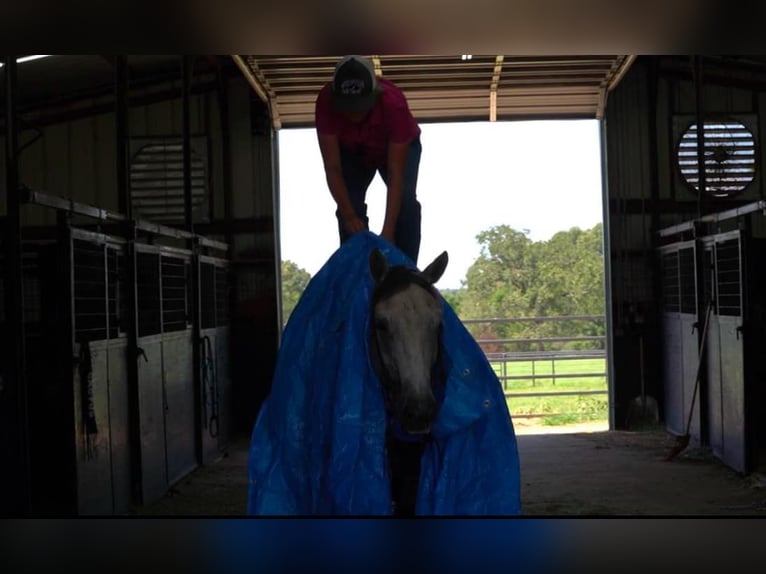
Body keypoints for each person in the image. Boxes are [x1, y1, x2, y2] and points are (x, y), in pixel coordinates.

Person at [315, 55, 423, 264]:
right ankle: (355, 266)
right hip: (352, 150)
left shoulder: (394, 103)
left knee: (406, 204)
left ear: (375, 95)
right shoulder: (326, 102)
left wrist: (388, 231)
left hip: (394, 149)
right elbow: (333, 167)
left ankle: (407, 270)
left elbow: (395, 174)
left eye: (361, 106)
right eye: (349, 107)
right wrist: (349, 215)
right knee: (349, 203)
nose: (355, 115)